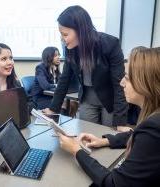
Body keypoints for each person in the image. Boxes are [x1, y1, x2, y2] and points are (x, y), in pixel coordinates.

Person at [57, 46, 160, 186]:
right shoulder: (153, 121)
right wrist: (105, 141)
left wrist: (76, 151)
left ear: (147, 83)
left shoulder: (154, 128)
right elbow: (139, 135)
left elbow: (113, 183)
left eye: (127, 78)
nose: (122, 83)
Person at [43, 5, 130, 131]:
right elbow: (64, 80)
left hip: (110, 100)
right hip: (87, 99)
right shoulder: (70, 48)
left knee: (108, 134)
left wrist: (121, 121)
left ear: (81, 30)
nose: (62, 39)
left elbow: (119, 83)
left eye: (65, 34)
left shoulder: (110, 44)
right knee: (86, 135)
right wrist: (53, 109)